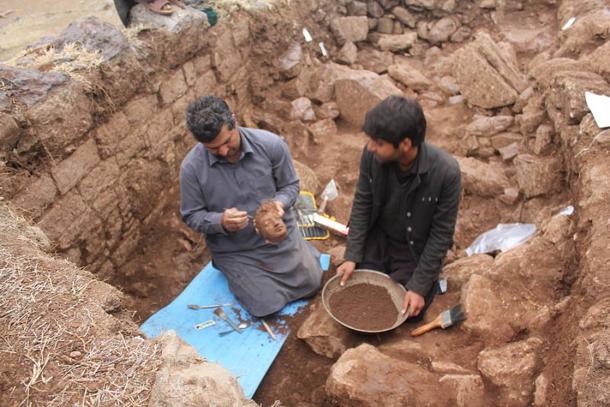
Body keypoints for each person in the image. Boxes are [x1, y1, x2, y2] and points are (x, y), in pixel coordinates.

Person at [180, 95, 323, 317]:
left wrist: (279, 204)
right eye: (213, 149)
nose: (224, 152)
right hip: (236, 248)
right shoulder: (191, 169)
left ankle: (301, 252)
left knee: (313, 283)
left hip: (279, 235)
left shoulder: (270, 144)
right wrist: (221, 222)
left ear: (234, 121)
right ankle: (230, 267)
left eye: (227, 142)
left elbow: (291, 186)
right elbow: (191, 216)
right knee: (266, 306)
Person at [336, 95, 461, 321]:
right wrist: (352, 254)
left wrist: (419, 286)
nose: (370, 147)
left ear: (404, 144)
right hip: (379, 236)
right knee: (356, 286)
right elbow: (362, 202)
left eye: (379, 143)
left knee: (407, 306)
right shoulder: (371, 156)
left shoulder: (446, 173)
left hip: (412, 248)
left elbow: (441, 234)